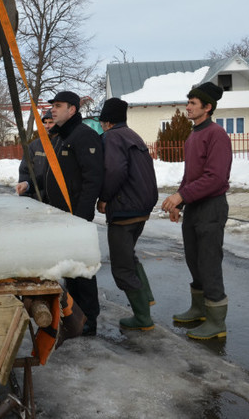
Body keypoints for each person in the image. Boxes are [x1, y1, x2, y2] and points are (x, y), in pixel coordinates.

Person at [161, 82, 231, 340]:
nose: (187, 107)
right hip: (195, 207)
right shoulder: (194, 135)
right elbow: (190, 176)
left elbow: (215, 177)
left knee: (209, 262)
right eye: (188, 102)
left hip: (211, 207)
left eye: (192, 103)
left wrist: (182, 195)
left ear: (208, 107)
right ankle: (199, 309)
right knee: (193, 258)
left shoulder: (216, 135)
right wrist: (179, 202)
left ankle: (216, 322)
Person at [42, 91, 104, 336]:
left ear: (73, 109)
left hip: (75, 217)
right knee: (70, 270)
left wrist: (80, 215)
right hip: (61, 217)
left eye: (58, 106)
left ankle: (88, 320)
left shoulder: (84, 136)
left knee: (82, 271)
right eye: (53, 106)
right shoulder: (60, 136)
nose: (53, 110)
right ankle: (74, 316)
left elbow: (92, 179)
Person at [96, 98, 158, 331]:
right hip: (141, 207)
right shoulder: (133, 135)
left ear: (106, 121)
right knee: (129, 257)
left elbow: (114, 170)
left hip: (124, 209)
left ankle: (143, 318)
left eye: (102, 122)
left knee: (121, 267)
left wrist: (104, 197)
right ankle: (146, 298)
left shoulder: (112, 137)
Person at [16, 110, 56, 198]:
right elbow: (25, 171)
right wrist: (25, 194)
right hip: (38, 197)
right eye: (45, 123)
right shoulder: (35, 146)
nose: (47, 126)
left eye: (51, 122)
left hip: (58, 199)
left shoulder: (64, 144)